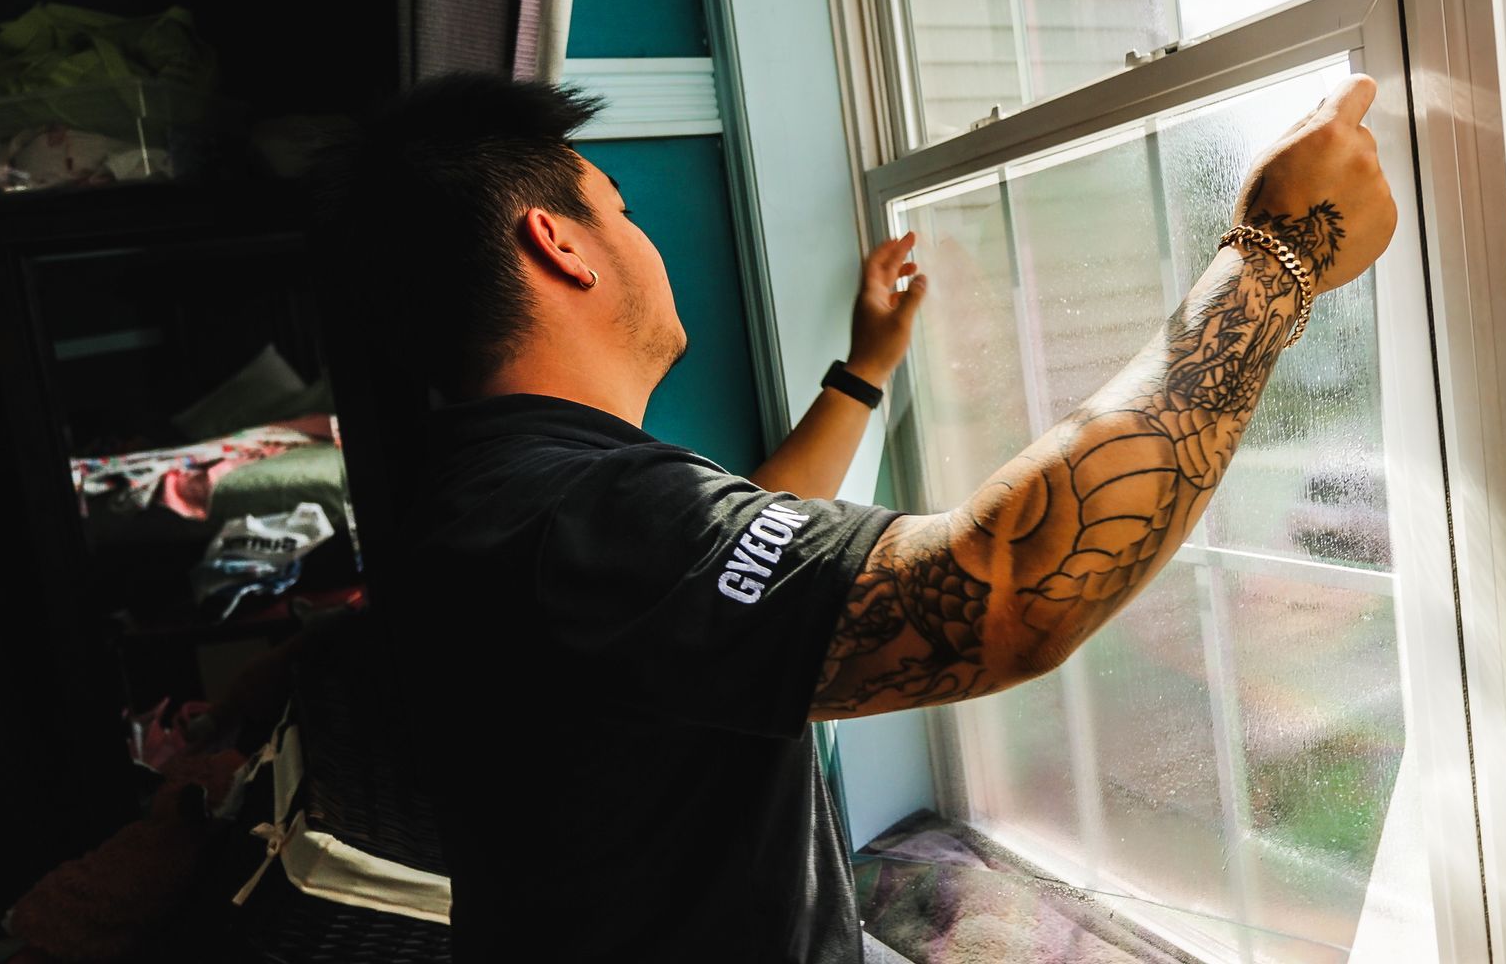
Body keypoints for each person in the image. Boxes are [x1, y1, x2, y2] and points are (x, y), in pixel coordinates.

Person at [313, 70, 1394, 962]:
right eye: (624, 212)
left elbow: (715, 586)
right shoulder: (578, 519)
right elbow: (1002, 597)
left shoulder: (487, 502)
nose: (645, 241)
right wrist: (1276, 261)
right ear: (561, 244)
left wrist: (863, 373)